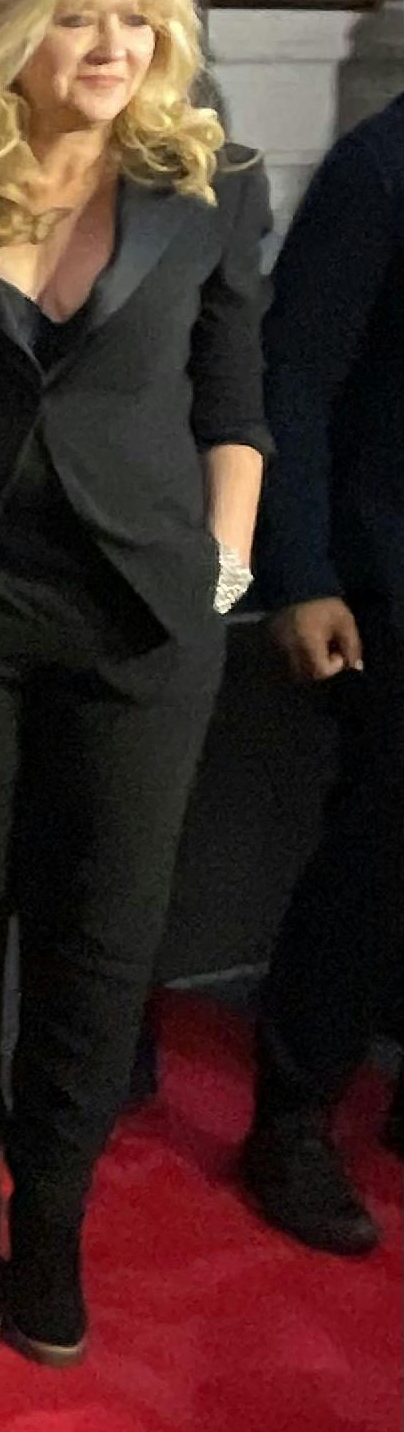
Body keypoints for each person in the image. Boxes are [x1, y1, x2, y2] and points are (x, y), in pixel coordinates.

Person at [0, 0, 270, 1365]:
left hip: (142, 620)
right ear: (14, 32)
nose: (114, 47)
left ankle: (50, 1216)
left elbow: (236, 400)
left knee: (101, 935)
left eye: (139, 20)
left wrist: (223, 564)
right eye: (80, 16)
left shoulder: (213, 183)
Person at [240, 91, 403, 1252]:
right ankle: (293, 1115)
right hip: (386, 579)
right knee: (378, 856)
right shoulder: (379, 169)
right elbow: (291, 383)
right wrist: (298, 576)